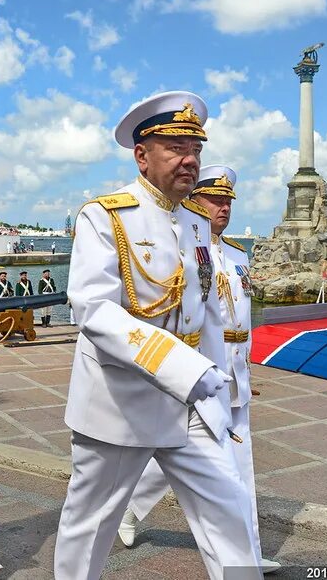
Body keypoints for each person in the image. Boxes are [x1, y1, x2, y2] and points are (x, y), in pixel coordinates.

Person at [53, 91, 259, 579]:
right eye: (175, 148)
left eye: (196, 150)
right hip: (120, 401)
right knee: (90, 529)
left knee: (229, 514)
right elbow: (94, 310)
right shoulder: (105, 216)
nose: (190, 160)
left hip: (191, 406)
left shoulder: (196, 223)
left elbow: (205, 312)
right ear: (142, 155)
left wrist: (214, 385)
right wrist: (185, 370)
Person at [120, 165, 280, 572]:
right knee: (203, 460)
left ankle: (248, 556)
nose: (223, 207)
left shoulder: (238, 256)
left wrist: (244, 367)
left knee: (238, 468)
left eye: (228, 200)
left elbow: (240, 320)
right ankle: (132, 509)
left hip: (236, 373)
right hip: (197, 373)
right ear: (193, 200)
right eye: (214, 199)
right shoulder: (185, 253)